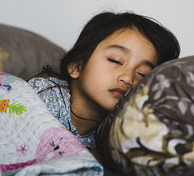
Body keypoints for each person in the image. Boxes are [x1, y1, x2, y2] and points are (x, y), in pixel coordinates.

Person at [27, 11, 180, 150]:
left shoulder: (121, 132)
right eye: (115, 60)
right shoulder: (43, 95)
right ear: (76, 67)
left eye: (142, 74)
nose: (128, 78)